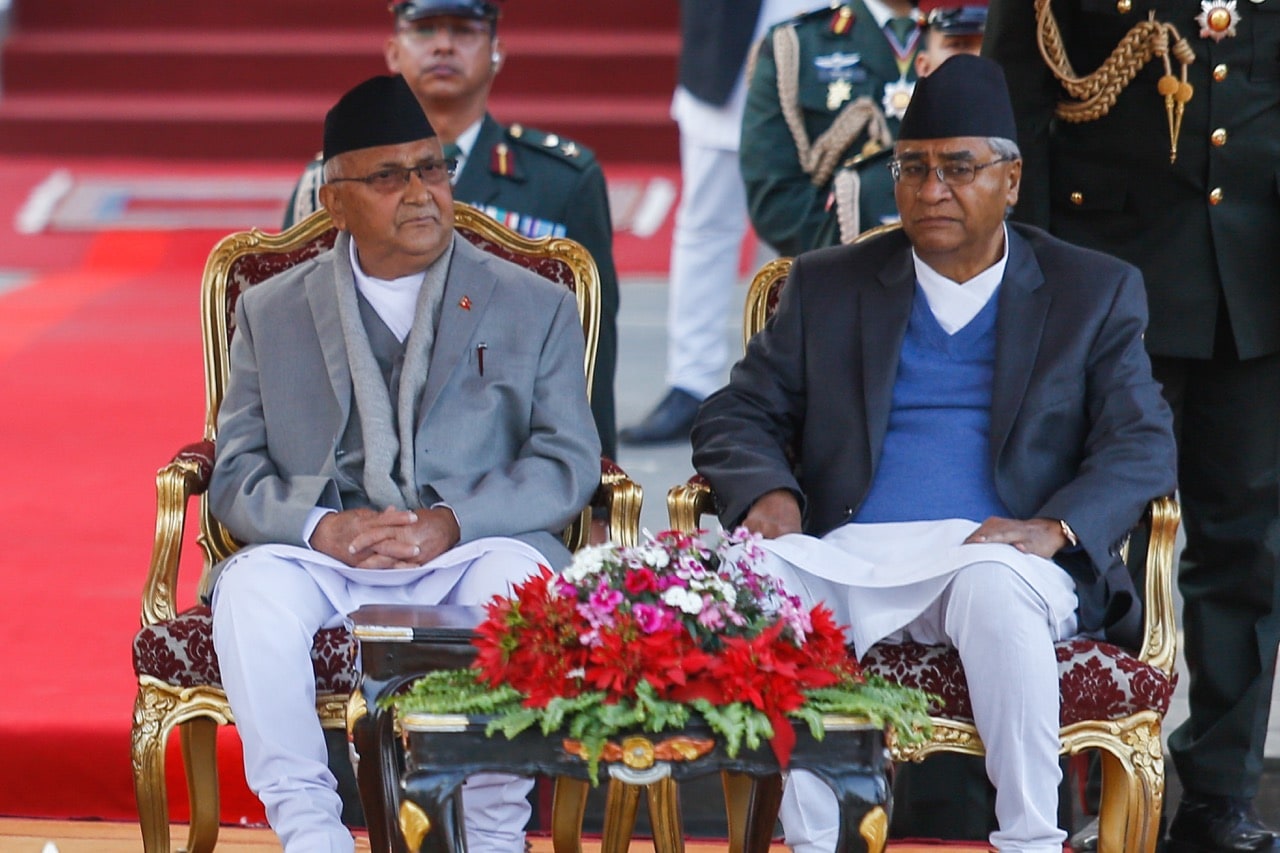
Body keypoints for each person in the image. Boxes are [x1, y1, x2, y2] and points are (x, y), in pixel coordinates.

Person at [691, 55, 1177, 853]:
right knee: (767, 580)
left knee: (990, 584)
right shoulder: (830, 284)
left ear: (1011, 180)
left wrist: (1054, 527)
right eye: (912, 168)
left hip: (1002, 552)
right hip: (852, 550)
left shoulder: (1091, 290)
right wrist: (766, 497)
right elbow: (735, 411)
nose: (931, 190)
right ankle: (812, 842)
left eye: (959, 168)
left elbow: (1143, 438)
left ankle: (1031, 838)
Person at [210, 74, 601, 853]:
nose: (421, 193)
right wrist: (321, 527)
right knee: (249, 589)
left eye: (432, 168)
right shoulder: (270, 309)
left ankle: (492, 832)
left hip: (470, 546)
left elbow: (568, 459)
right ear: (333, 200)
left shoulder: (534, 302)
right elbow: (235, 471)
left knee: (517, 587)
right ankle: (311, 831)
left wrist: (450, 522)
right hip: (325, 555)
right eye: (389, 176)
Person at [984, 0, 1280, 848]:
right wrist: (1029, 281)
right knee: (1084, 542)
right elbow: (1021, 100)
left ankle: (1221, 794)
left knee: (1246, 549)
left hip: (1251, 278)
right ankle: (1074, 789)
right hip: (1109, 276)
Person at [283, 0, 619, 458]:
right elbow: (298, 326)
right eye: (424, 30)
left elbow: (592, 344)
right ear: (392, 50)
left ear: (496, 50)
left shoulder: (561, 182)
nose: (443, 45)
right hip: (359, 445)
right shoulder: (328, 181)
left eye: (463, 30)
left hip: (506, 450)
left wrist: (598, 482)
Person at [619, 0, 825, 446]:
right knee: (707, 219)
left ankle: (829, 383)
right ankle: (692, 382)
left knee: (833, 211)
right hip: (733, 29)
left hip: (832, 25)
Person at [739, 0, 922, 258]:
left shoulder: (970, 37)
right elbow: (775, 203)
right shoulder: (797, 44)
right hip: (840, 272)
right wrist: (859, 255)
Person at [816, 0, 988, 248]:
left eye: (986, 46)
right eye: (958, 46)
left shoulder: (1034, 168)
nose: (975, 62)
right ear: (923, 67)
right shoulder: (865, 189)